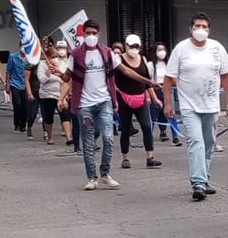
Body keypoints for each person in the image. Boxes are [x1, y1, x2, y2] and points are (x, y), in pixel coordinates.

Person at [163, 12, 228, 200]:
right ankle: (198, 183)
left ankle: (204, 177)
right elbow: (168, 78)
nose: (200, 30)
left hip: (210, 105)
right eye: (197, 27)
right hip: (188, 105)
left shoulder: (217, 48)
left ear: (209, 30)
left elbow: (225, 75)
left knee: (209, 143)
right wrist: (168, 104)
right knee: (196, 141)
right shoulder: (181, 49)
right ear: (190, 29)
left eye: (204, 27)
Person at [59, 19, 121, 190]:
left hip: (104, 102)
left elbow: (122, 71)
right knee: (88, 142)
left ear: (98, 34)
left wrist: (145, 82)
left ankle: (105, 173)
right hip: (84, 104)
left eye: (94, 33)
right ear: (83, 34)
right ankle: (92, 178)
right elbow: (67, 77)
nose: (91, 36)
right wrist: (58, 74)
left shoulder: (107, 53)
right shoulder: (76, 54)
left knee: (108, 138)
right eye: (88, 33)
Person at [115, 34, 162, 169]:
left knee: (147, 126)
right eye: (131, 46)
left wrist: (155, 99)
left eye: (137, 46)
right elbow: (114, 81)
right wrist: (115, 101)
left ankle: (150, 157)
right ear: (126, 46)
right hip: (124, 98)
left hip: (140, 98)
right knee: (125, 129)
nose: (134, 49)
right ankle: (125, 158)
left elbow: (148, 83)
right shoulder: (119, 60)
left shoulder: (143, 59)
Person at [35, 42, 66, 145]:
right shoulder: (42, 65)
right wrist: (49, 71)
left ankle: (69, 137)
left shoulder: (62, 64)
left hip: (60, 94)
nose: (55, 59)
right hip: (47, 95)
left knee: (65, 114)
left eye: (56, 56)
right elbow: (43, 79)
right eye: (53, 57)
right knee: (49, 116)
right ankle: (49, 137)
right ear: (48, 57)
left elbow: (65, 78)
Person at [151, 41, 180, 145]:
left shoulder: (169, 64)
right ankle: (149, 137)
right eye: (159, 50)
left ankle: (175, 137)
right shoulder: (151, 65)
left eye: (163, 50)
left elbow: (174, 79)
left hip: (169, 90)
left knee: (171, 114)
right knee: (153, 114)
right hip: (156, 89)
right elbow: (149, 79)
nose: (161, 52)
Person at [6, 46, 34, 136]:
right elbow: (8, 71)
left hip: (26, 85)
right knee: (17, 104)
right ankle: (16, 124)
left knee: (25, 106)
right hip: (15, 83)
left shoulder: (31, 59)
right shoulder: (13, 57)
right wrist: (7, 85)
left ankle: (23, 125)